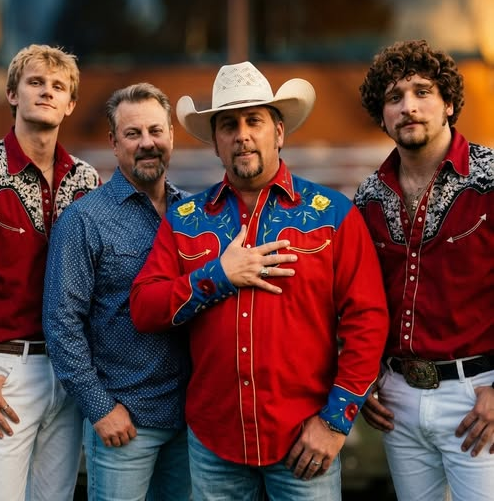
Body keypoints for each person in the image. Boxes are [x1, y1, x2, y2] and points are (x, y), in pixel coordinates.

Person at [130, 61, 389, 501]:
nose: (242, 135)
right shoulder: (185, 220)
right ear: (216, 142)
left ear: (279, 132)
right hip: (215, 443)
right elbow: (144, 308)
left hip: (306, 441)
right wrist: (218, 276)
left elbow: (368, 320)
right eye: (228, 126)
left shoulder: (332, 214)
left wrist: (335, 422)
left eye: (254, 121)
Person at [354, 39, 494, 501]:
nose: (408, 107)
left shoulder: (490, 179)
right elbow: (359, 299)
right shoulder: (368, 197)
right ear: (382, 116)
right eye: (394, 98)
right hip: (398, 398)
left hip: (478, 398)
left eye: (422, 92)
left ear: (448, 103)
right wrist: (363, 378)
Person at [42, 83, 192, 501]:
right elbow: (61, 323)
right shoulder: (84, 221)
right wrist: (100, 408)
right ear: (113, 142)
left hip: (190, 422)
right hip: (124, 424)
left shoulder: (191, 215)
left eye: (156, 131)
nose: (147, 143)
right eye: (132, 133)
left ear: (171, 135)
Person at [0, 44, 100, 501]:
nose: (47, 92)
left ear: (70, 104)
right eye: (35, 82)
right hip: (0, 371)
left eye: (58, 86)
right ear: (13, 94)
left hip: (69, 373)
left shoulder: (87, 182)